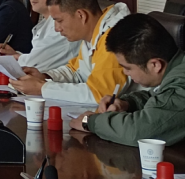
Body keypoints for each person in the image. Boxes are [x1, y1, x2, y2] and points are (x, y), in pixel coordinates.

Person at [69, 14, 185, 144]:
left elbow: (139, 131)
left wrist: (90, 122)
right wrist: (127, 103)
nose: (125, 72)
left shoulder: (181, 83)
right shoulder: (177, 68)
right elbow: (160, 98)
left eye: (128, 68)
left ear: (155, 65)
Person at [10, 0, 130, 103]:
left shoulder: (113, 39)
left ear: (81, 15)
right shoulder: (94, 31)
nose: (57, 28)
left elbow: (99, 94)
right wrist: (45, 77)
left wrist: (42, 88)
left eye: (59, 21)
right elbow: (75, 71)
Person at [0, 0, 80, 72]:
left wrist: (18, 58)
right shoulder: (45, 23)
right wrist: (16, 55)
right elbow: (41, 59)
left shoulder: (64, 27)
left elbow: (34, 66)